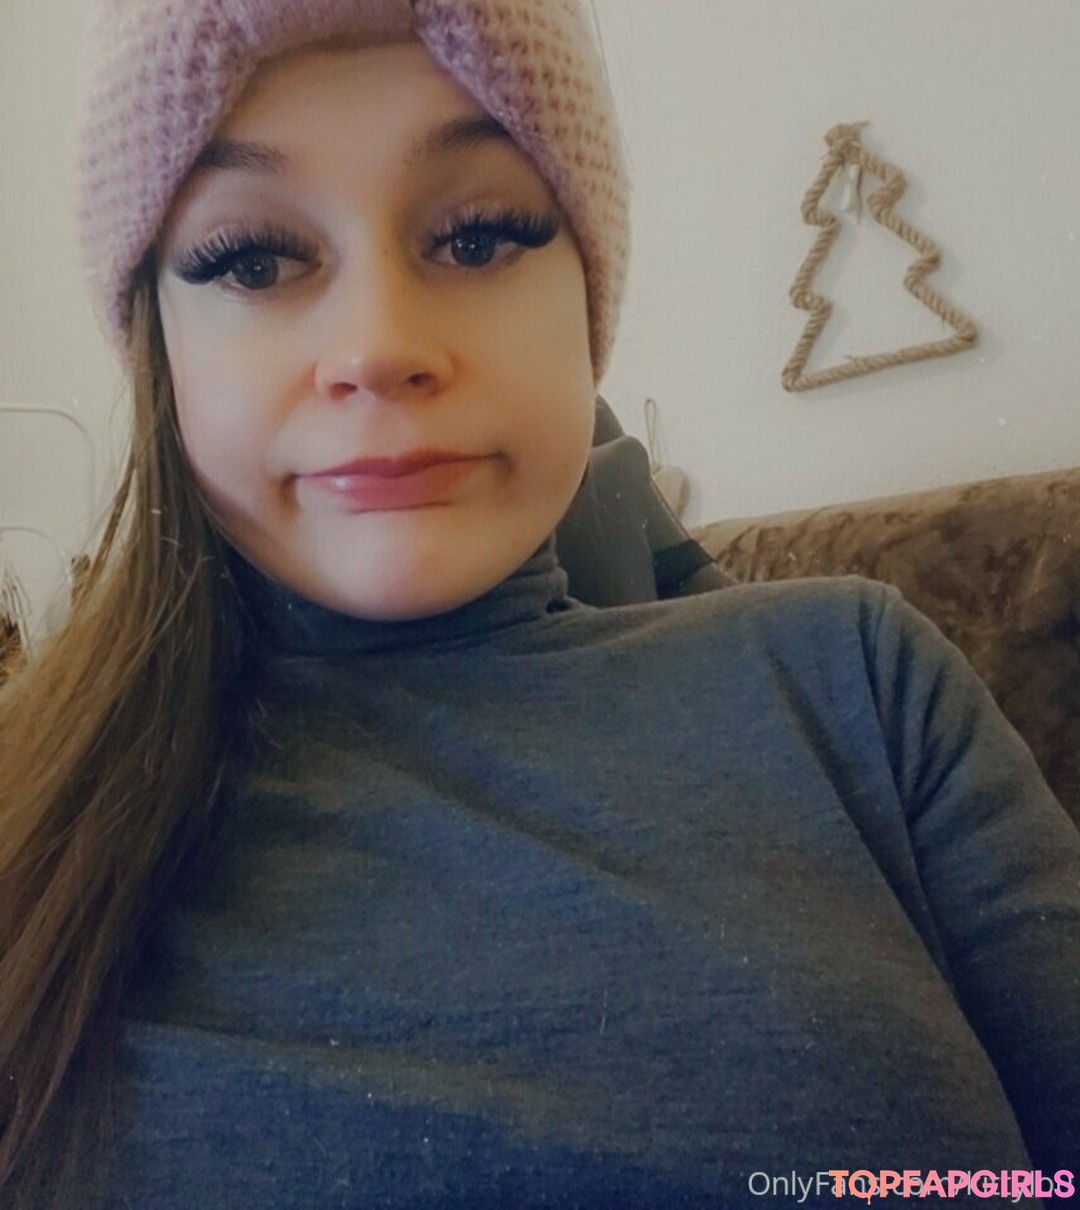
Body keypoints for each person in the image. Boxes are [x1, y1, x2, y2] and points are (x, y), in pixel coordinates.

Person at [1, 0, 1077, 1206]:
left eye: (478, 236)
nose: (379, 345)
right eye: (252, 258)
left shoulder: (858, 684)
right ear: (160, 342)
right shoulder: (29, 819)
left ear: (587, 300)